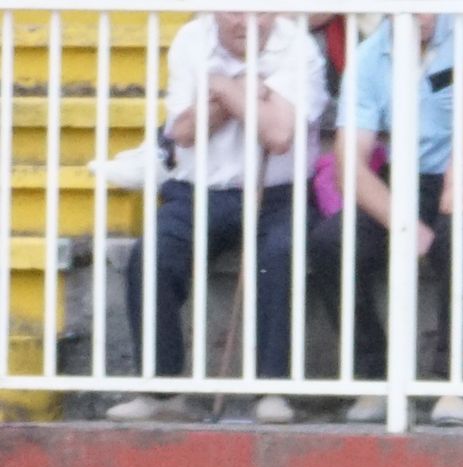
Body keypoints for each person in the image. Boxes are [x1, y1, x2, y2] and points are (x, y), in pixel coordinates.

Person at [308, 13, 463, 427]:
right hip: (410, 179)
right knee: (330, 243)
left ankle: (453, 383)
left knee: (461, 234)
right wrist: (403, 223)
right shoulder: (371, 56)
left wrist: (455, 175)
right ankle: (375, 379)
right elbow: (348, 165)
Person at [108, 11, 327, 424]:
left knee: (279, 256)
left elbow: (279, 135)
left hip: (280, 195)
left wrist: (221, 89)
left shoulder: (298, 46)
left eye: (261, 10)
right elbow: (185, 131)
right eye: (234, 10)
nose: (248, 22)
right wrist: (248, 93)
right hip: (197, 191)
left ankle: (272, 388)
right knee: (152, 258)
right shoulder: (192, 39)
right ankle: (162, 391)